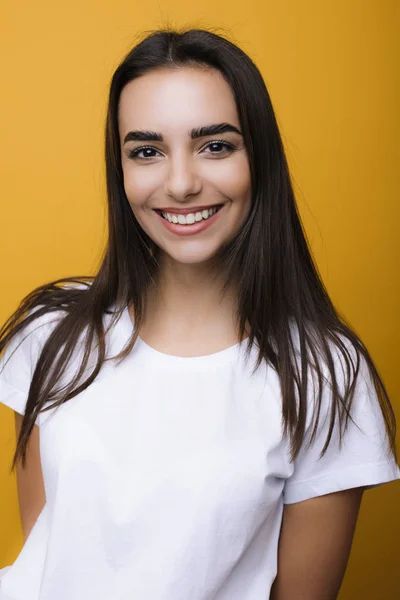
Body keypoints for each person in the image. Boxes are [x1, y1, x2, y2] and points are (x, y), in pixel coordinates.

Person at [0, 27, 399, 600]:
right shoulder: (52, 333)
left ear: (258, 157)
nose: (181, 183)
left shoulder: (322, 375)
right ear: (121, 170)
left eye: (216, 145)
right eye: (146, 151)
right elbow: (50, 553)